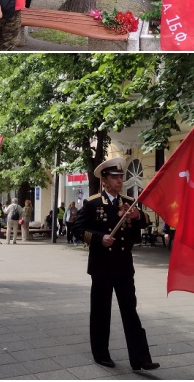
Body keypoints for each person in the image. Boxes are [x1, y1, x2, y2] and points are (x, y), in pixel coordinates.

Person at [72, 158, 159, 371]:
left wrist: (138, 215)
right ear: (104, 180)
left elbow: (144, 222)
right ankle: (101, 353)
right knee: (101, 312)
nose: (120, 181)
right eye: (115, 177)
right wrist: (99, 238)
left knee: (131, 311)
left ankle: (140, 358)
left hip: (123, 266)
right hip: (101, 267)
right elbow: (77, 229)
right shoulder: (93, 203)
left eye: (121, 177)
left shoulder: (128, 202)